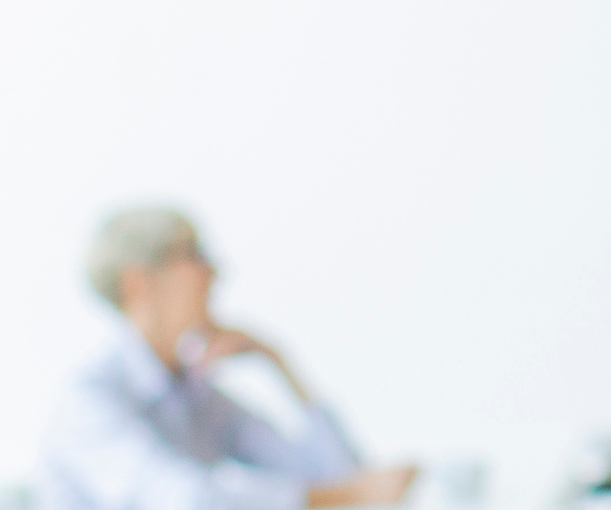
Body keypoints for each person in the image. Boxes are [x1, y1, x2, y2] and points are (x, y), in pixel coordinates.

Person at [38, 206, 419, 510]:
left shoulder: (197, 396)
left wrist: (279, 361)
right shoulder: (89, 401)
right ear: (139, 283)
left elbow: (339, 474)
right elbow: (187, 502)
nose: (215, 273)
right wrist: (349, 496)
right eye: (193, 255)